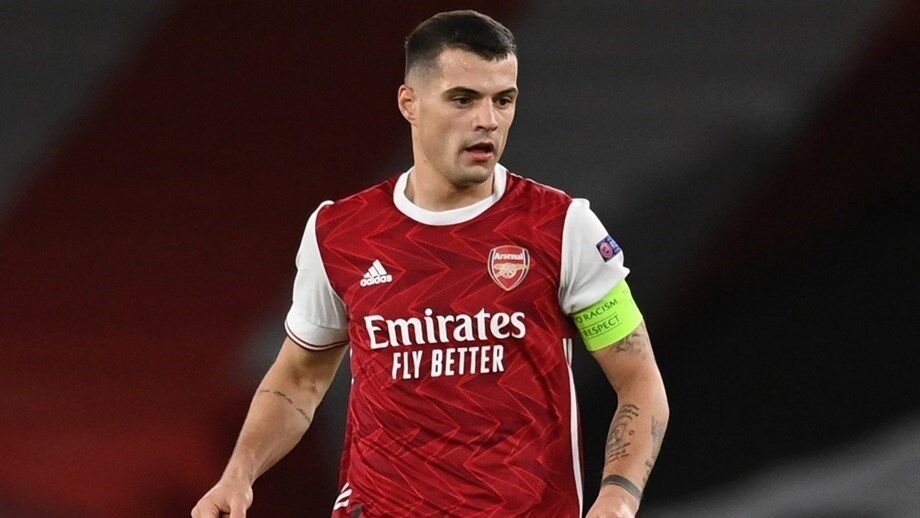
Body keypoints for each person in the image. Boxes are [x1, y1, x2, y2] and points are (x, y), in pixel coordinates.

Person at [192, 10, 668, 518]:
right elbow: (299, 380)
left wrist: (618, 498)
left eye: (503, 100)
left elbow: (639, 382)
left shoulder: (563, 227)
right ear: (409, 103)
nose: (488, 120)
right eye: (463, 99)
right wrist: (238, 475)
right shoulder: (340, 232)